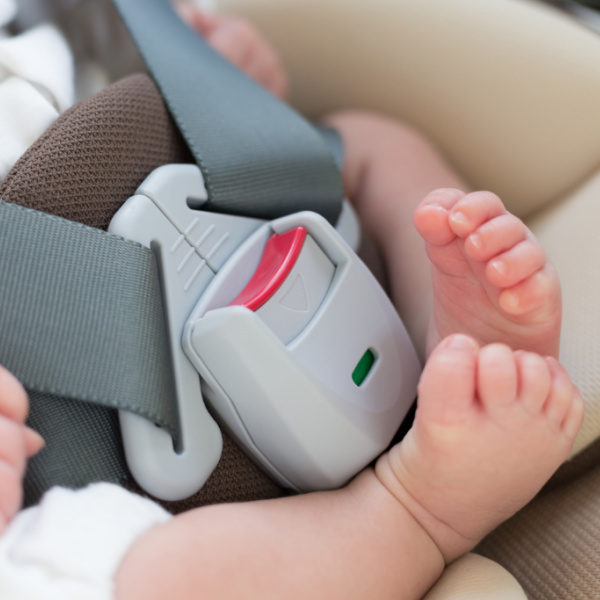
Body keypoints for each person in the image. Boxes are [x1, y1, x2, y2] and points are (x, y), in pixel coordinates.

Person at [0, 8, 584, 600]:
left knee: (371, 143)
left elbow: (103, 43)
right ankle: (416, 511)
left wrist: (219, 77)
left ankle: (453, 347)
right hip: (119, 459)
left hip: (240, 196)